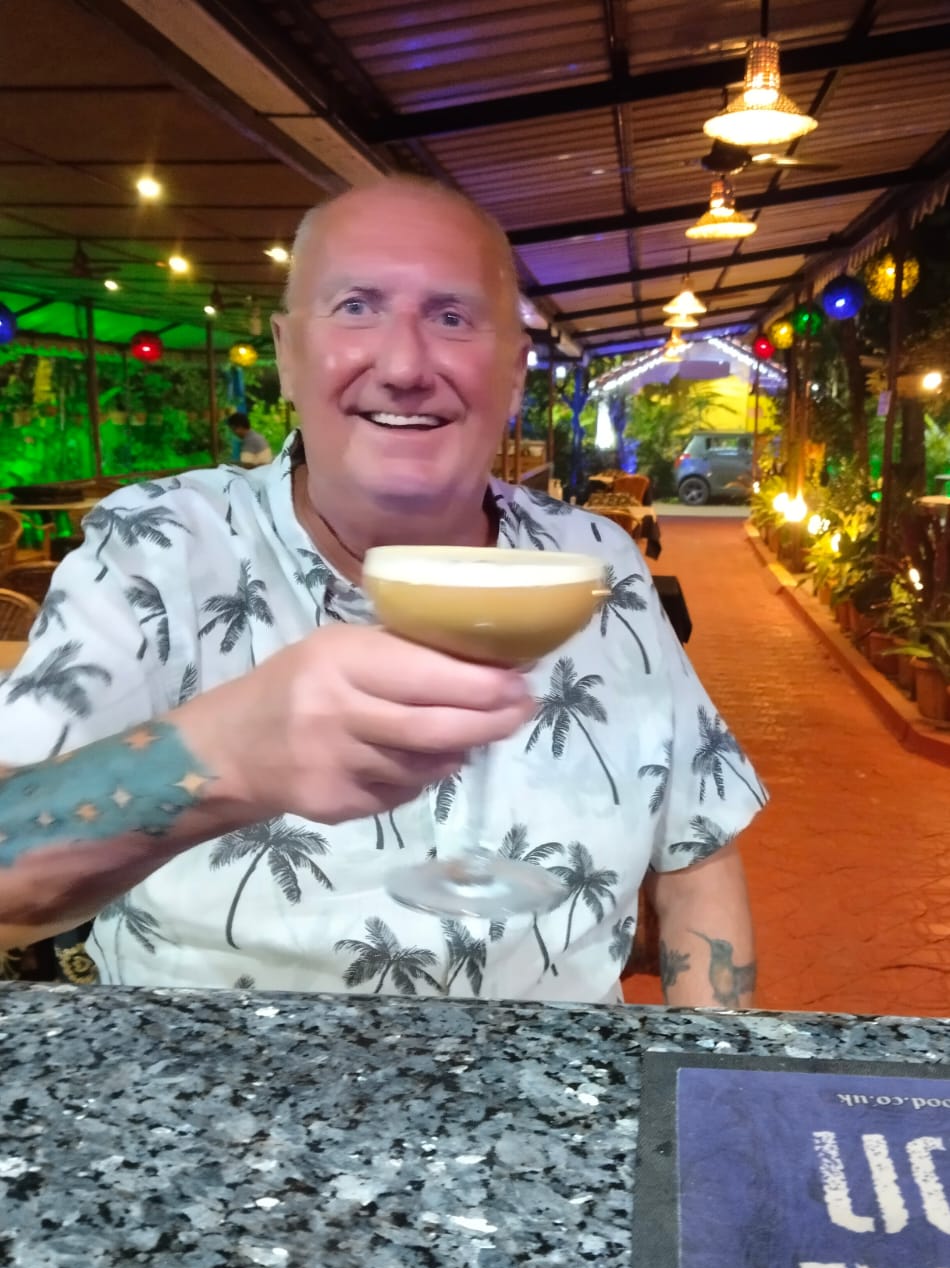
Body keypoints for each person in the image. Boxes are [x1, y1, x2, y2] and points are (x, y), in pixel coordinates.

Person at [0, 177, 765, 1005]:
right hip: (213, 1081)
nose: (404, 366)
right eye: (356, 307)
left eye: (452, 317)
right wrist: (223, 756)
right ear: (287, 354)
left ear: (514, 372)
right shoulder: (162, 545)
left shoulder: (596, 562)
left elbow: (698, 854)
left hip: (557, 1077)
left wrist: (717, 1073)